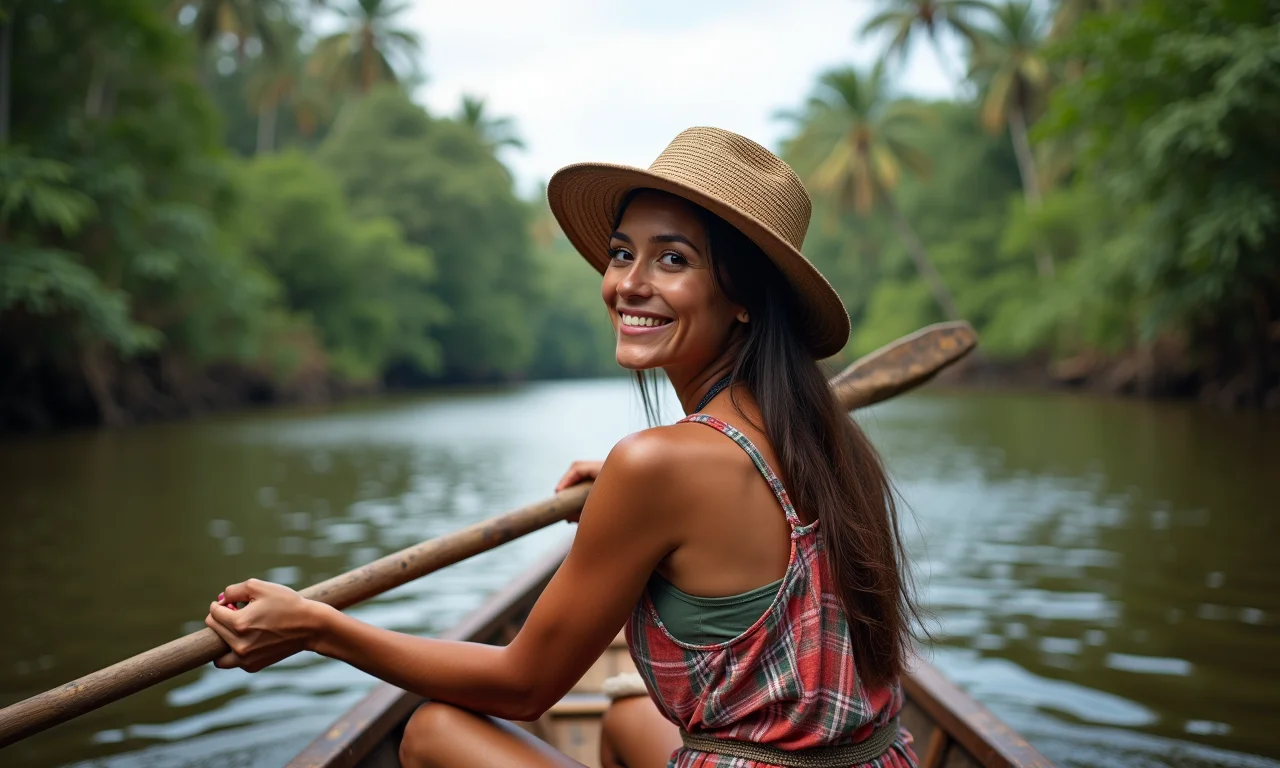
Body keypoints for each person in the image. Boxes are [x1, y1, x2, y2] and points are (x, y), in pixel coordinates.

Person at [204, 127, 921, 768]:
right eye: (621, 254)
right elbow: (729, 498)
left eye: (671, 260)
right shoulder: (831, 437)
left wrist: (318, 628)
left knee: (431, 731)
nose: (628, 285)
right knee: (630, 716)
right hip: (875, 759)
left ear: (744, 298)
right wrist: (631, 489)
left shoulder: (660, 466)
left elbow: (525, 687)